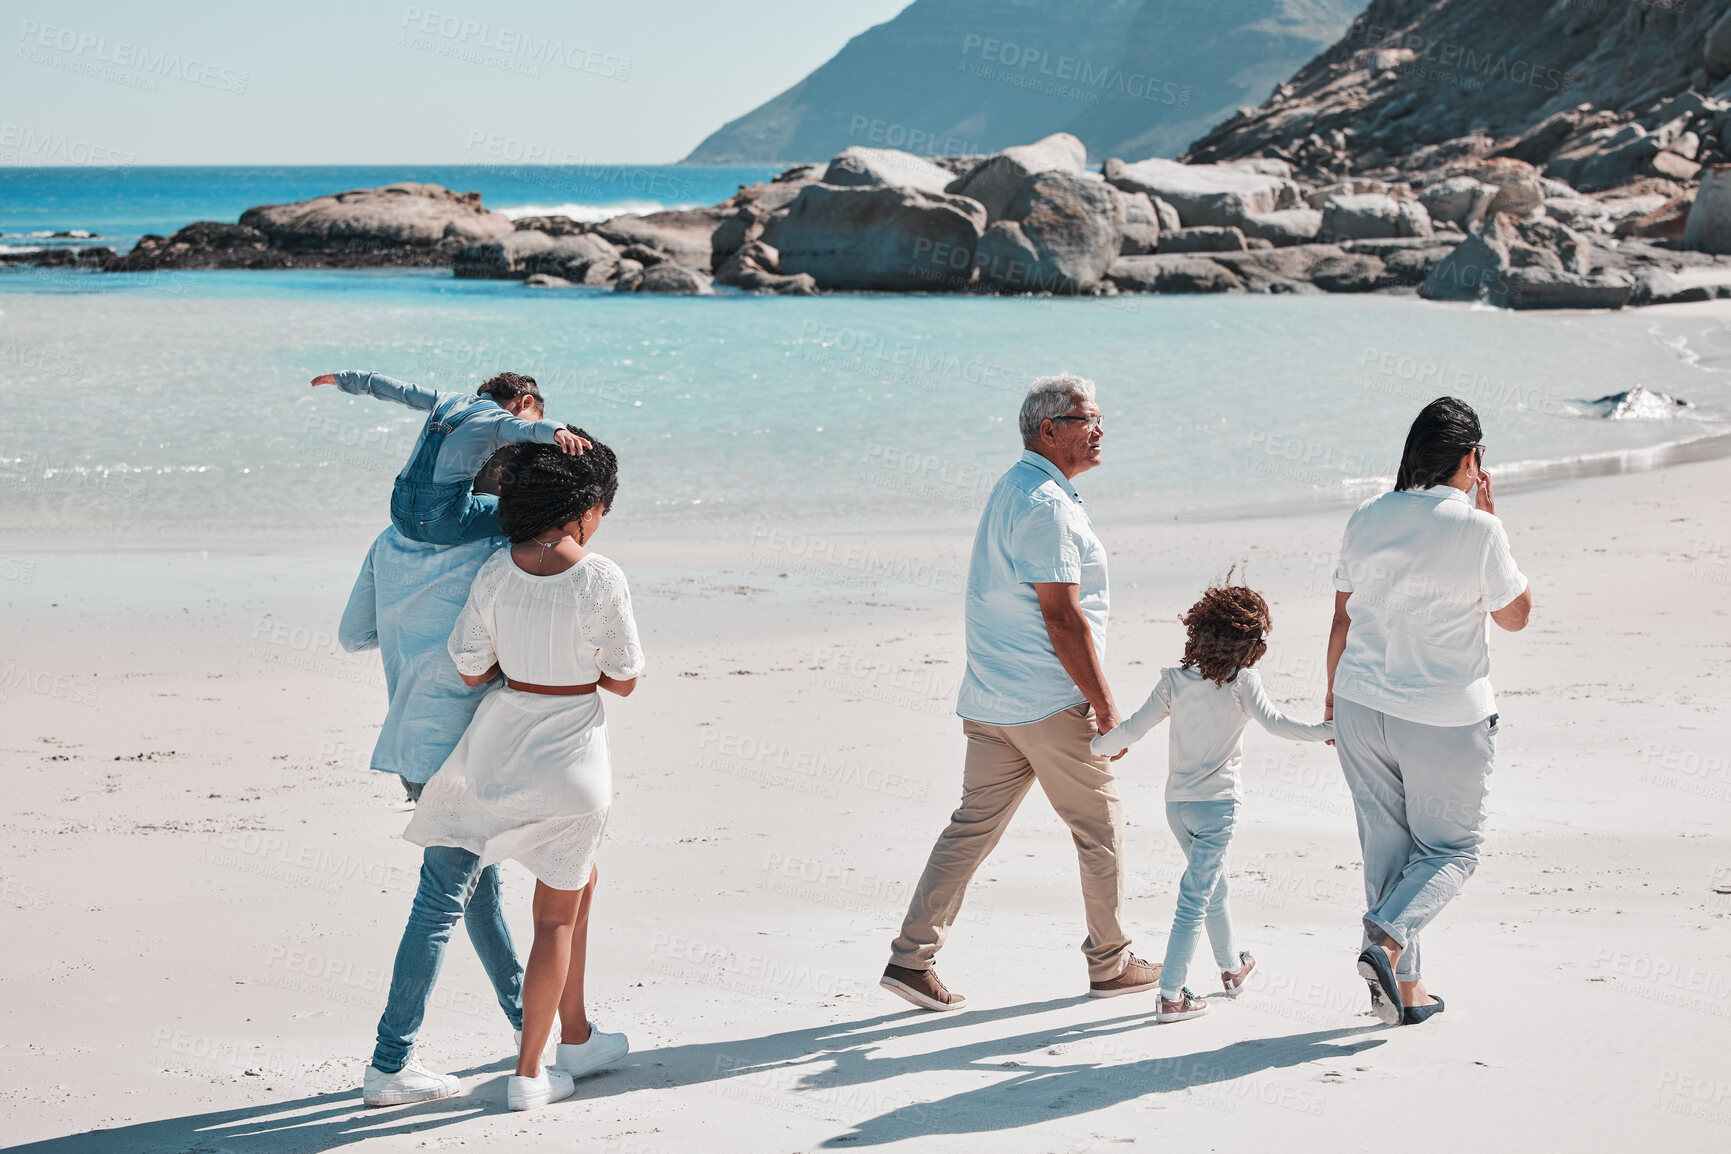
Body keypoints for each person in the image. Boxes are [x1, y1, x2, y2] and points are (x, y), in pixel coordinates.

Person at [882, 373, 1162, 1011]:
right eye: (1088, 420)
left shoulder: (1018, 487)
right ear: (1049, 429)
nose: (1099, 432)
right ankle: (1111, 962)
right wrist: (1107, 703)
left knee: (970, 829)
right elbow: (1062, 618)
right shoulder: (1047, 505)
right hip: (1044, 701)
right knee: (1102, 829)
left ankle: (910, 959)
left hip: (991, 698)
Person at [405, 430, 644, 1111]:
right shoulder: (601, 575)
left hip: (498, 755)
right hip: (572, 766)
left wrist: (526, 664)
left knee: (577, 883)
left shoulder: (495, 571)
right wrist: (576, 668)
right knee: (555, 920)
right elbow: (624, 680)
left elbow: (471, 665)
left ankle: (577, 1036)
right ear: (584, 508)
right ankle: (530, 1074)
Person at [1325, 396, 1531, 1026]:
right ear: (1469, 458)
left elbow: (1341, 617)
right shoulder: (1478, 528)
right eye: (1480, 456)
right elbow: (1516, 616)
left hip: (1361, 702)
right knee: (1450, 851)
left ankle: (1404, 993)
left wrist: (1332, 700)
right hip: (1442, 716)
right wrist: (1491, 519)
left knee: (1388, 852)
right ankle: (1385, 944)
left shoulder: (1366, 516)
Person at [338, 448, 527, 1107]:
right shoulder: (498, 545)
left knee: (477, 892)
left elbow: (354, 633)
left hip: (411, 742)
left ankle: (529, 1022)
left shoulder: (390, 538)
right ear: (502, 477)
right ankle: (390, 1061)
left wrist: (412, 633)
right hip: (467, 747)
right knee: (443, 898)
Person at [1091, 578, 1332, 1024]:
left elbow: (1132, 730)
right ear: (1250, 646)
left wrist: (1096, 748)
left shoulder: (1174, 682)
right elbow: (1277, 724)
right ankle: (1171, 996)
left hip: (1177, 808)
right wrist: (1328, 732)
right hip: (1218, 808)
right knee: (1195, 897)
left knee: (1213, 886)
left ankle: (1232, 969)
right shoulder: (1244, 684)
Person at [311, 369, 586, 545]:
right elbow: (529, 429)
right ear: (525, 402)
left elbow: (398, 389)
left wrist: (346, 379)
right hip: (441, 520)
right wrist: (558, 430)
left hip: (398, 510)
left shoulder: (447, 400)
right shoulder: (500, 420)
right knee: (526, 511)